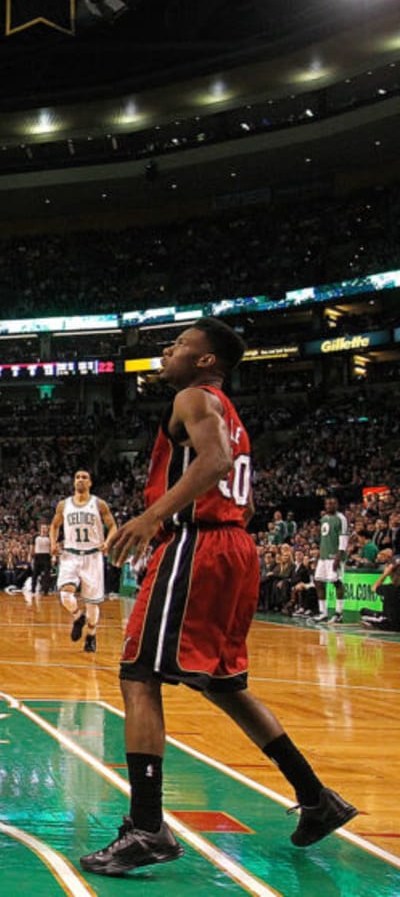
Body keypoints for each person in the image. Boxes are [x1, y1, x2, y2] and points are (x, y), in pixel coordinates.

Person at [81, 319, 355, 877]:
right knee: (227, 685)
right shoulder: (229, 412)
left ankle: (147, 828)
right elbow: (243, 495)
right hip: (234, 548)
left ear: (207, 362)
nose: (168, 349)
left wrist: (153, 517)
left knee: (138, 674)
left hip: (197, 547)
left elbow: (215, 463)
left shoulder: (192, 397)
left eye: (180, 344)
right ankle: (317, 798)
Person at [49, 470, 117, 654]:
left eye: (84, 477)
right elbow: (54, 525)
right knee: (65, 595)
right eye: (77, 477)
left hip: (93, 556)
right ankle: (78, 617)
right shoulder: (64, 505)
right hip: (70, 554)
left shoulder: (99, 504)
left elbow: (112, 526)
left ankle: (91, 635)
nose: (80, 480)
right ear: (73, 482)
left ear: (90, 483)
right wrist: (53, 543)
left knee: (92, 604)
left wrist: (108, 541)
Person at [312, 496, 348, 624]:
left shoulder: (341, 518)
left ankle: (339, 613)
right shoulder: (324, 519)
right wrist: (319, 555)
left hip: (334, 556)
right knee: (318, 582)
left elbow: (344, 538)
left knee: (337, 582)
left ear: (337, 504)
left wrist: (339, 556)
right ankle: (323, 613)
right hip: (323, 556)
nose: (329, 506)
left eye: (332, 503)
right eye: (327, 504)